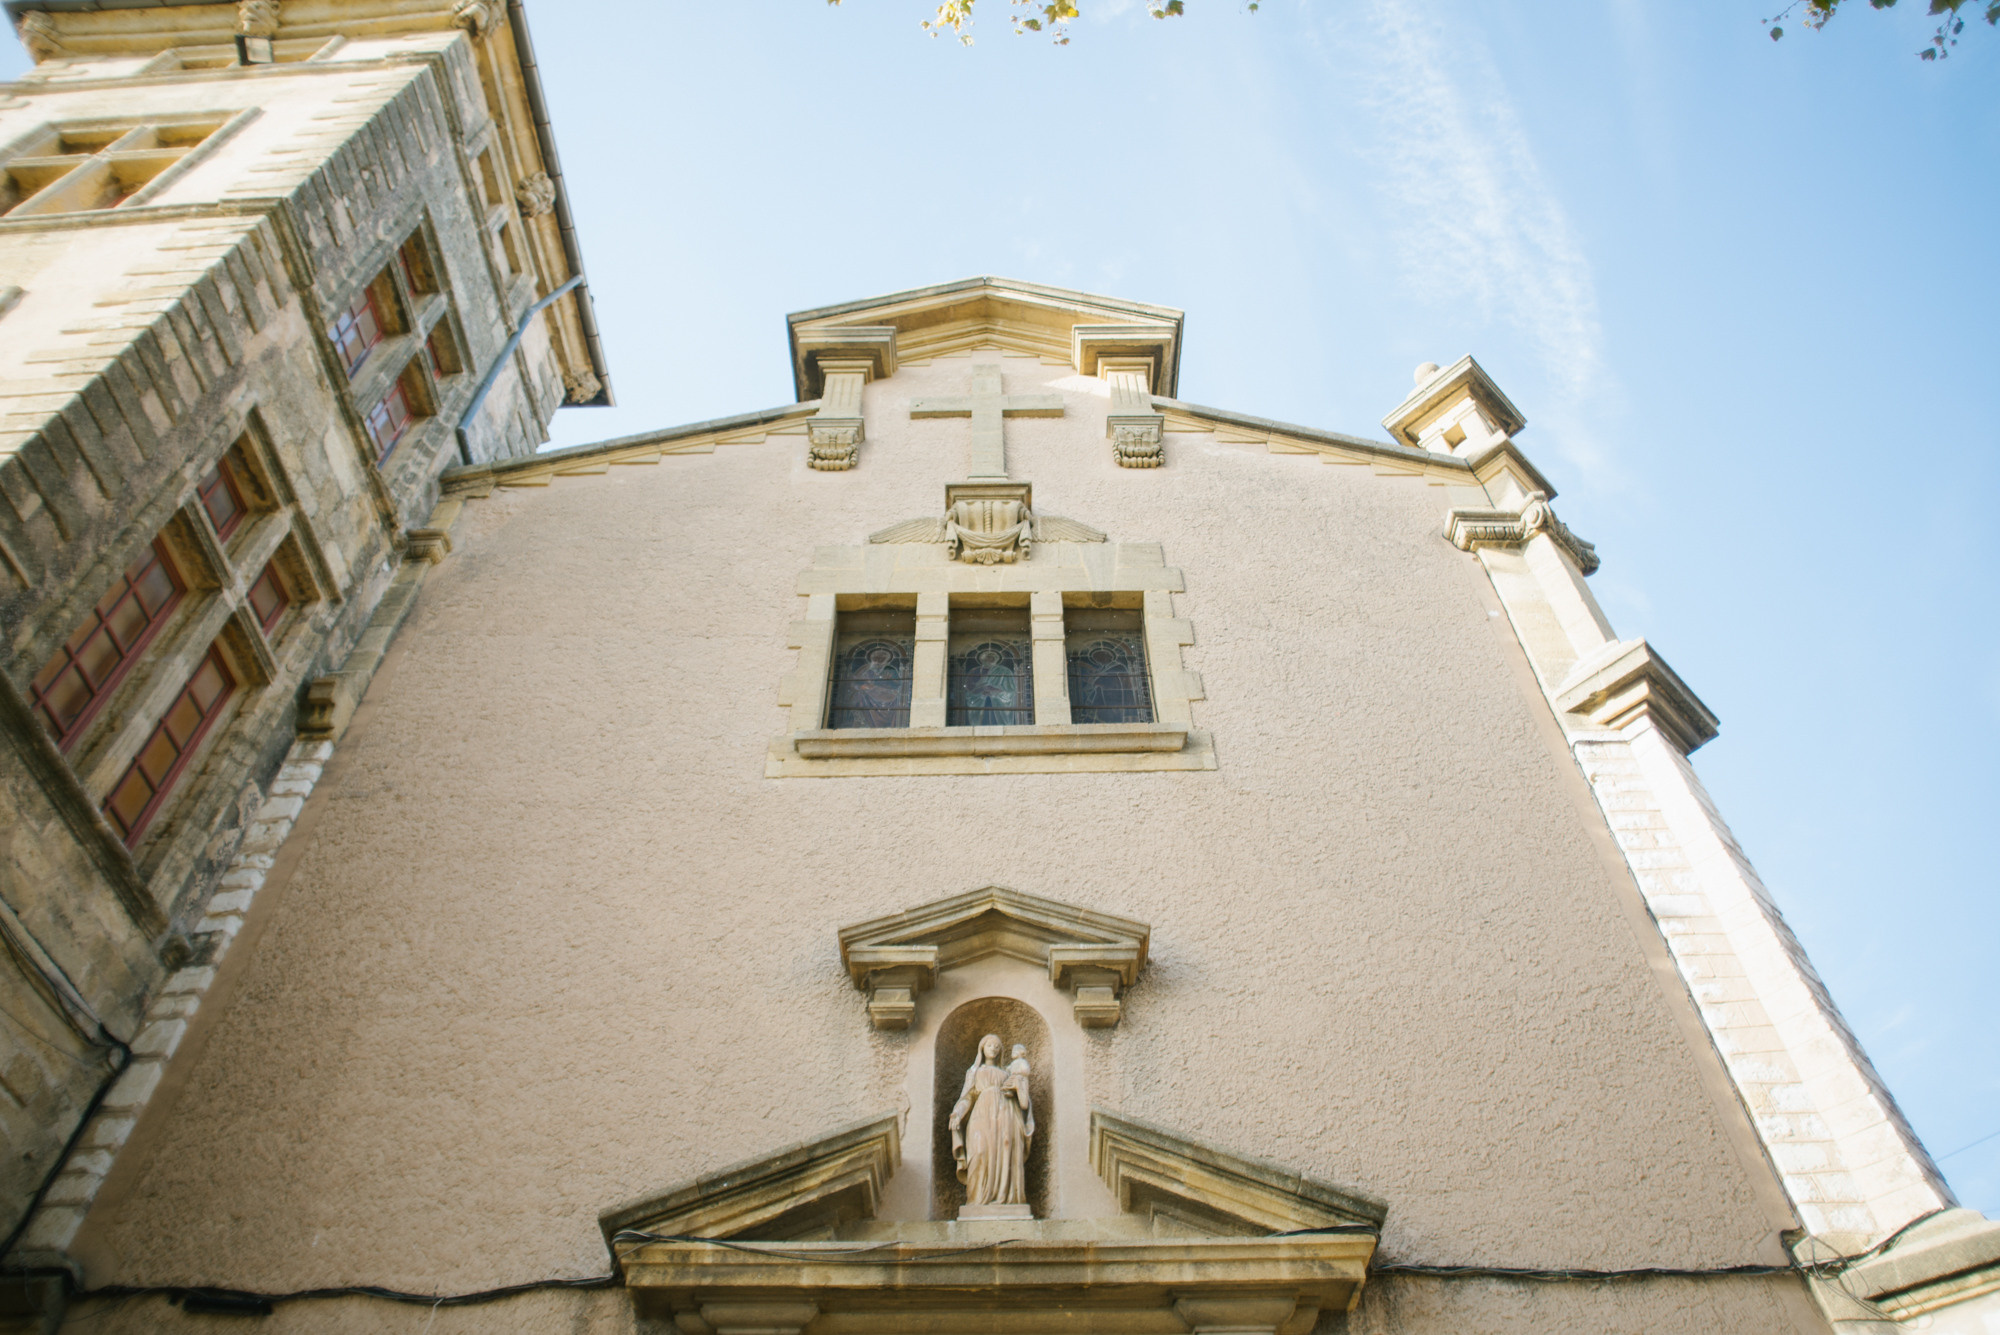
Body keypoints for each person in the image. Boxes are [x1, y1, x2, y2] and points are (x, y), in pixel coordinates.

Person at [947, 1034, 1034, 1206]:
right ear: (982, 1048)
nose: (993, 1049)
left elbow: (1023, 1101)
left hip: (1007, 1114)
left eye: (997, 1046)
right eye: (990, 1045)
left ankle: (1007, 1198)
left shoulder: (1008, 1073)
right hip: (981, 1114)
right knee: (979, 1151)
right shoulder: (974, 1072)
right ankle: (977, 1199)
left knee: (1007, 1147)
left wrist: (1018, 1087)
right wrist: (957, 1113)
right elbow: (967, 1097)